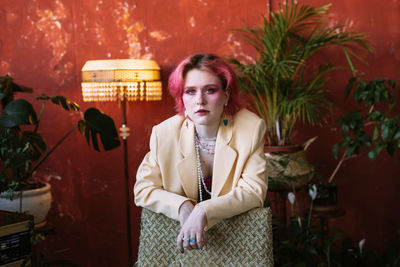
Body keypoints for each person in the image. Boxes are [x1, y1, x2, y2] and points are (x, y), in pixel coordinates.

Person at [134, 53, 268, 254]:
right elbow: (143, 189)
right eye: (190, 91)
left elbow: (254, 191)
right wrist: (183, 206)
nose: (199, 100)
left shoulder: (250, 128)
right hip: (178, 248)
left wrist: (203, 210)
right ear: (181, 97)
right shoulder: (164, 133)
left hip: (234, 245)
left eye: (210, 90)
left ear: (226, 95)